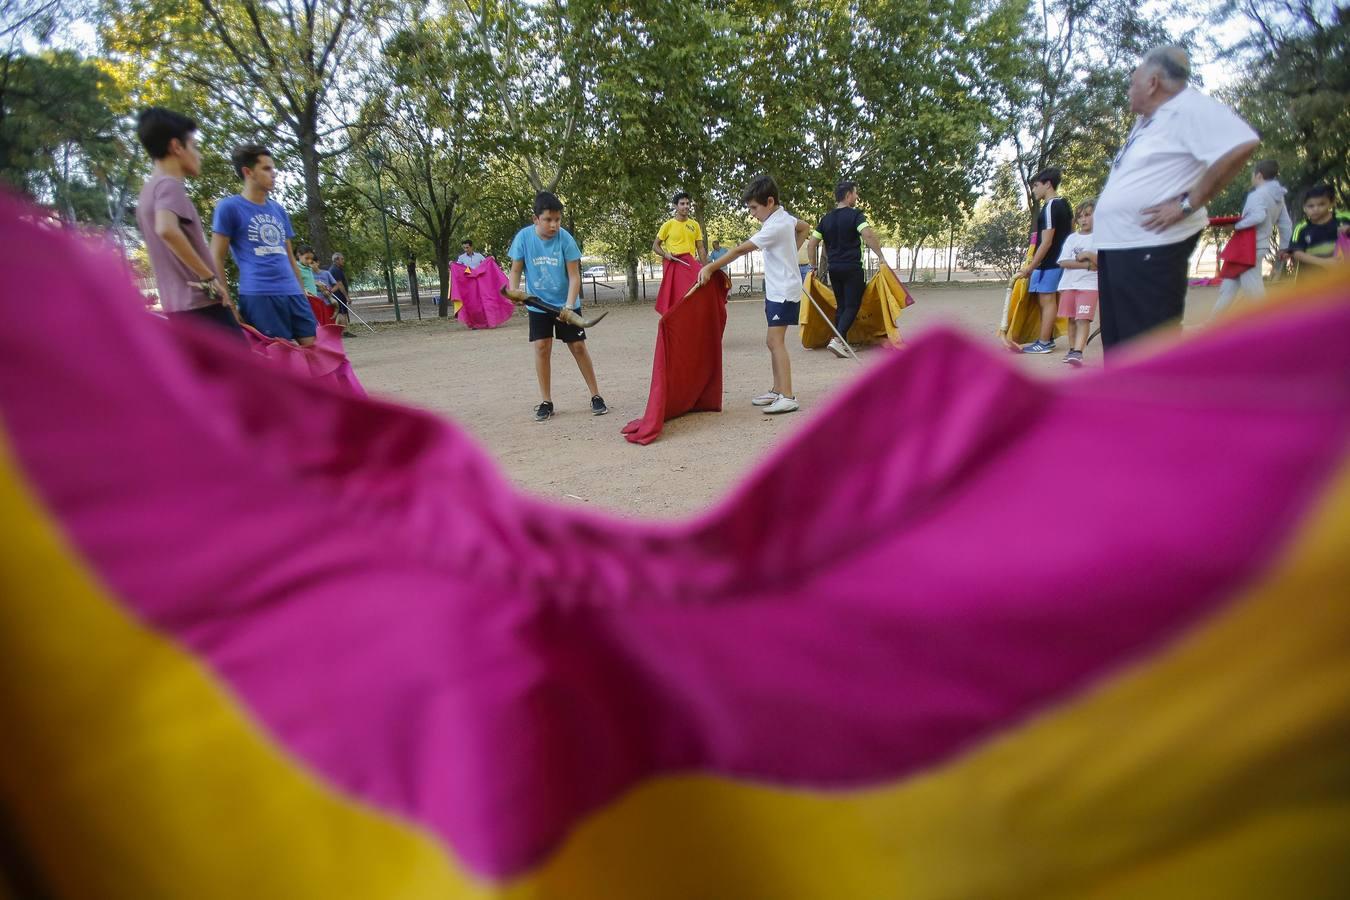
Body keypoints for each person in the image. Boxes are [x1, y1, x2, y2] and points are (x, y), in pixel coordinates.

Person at [1093, 46, 1259, 352]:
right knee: (1119, 348)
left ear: (1153, 82)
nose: (1129, 90)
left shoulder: (1189, 108)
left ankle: (1151, 401)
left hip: (1150, 247)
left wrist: (1187, 204)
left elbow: (1242, 143)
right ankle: (1122, 402)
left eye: (1132, 82)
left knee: (1145, 350)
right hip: (1121, 246)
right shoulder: (1151, 120)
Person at [697, 174, 811, 415]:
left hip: (784, 292)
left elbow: (740, 250)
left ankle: (788, 395)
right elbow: (804, 227)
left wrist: (709, 267)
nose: (752, 213)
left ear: (770, 202)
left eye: (754, 208)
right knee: (772, 342)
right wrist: (791, 251)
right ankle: (777, 389)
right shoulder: (783, 219)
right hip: (777, 290)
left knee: (774, 341)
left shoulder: (777, 225)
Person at [133, 107, 240, 336]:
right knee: (243, 370)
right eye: (194, 146)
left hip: (177, 309)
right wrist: (210, 278)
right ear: (176, 147)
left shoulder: (146, 193)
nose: (198, 154)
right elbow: (166, 229)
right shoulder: (169, 185)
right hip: (202, 304)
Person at [508, 191, 608, 422]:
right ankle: (546, 402)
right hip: (537, 303)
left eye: (557, 219)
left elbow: (574, 277)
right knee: (542, 347)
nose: (554, 225)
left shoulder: (566, 239)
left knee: (578, 347)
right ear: (536, 219)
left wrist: (569, 306)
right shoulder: (523, 238)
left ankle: (596, 396)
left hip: (566, 303)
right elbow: (515, 271)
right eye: (548, 220)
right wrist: (513, 291)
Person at [210, 144, 316, 345]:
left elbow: (290, 258)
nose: (273, 174)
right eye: (266, 169)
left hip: (293, 293)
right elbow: (216, 256)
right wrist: (228, 303)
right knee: (278, 362)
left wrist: (302, 293)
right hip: (260, 295)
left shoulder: (278, 209)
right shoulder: (229, 207)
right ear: (248, 172)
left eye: (273, 169)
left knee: (316, 355)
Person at [805, 180, 894, 358]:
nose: (857, 196)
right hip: (852, 267)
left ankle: (842, 343)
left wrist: (813, 265)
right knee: (852, 305)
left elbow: (812, 244)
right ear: (847, 195)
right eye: (855, 193)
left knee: (842, 306)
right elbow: (867, 233)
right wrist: (881, 256)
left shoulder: (826, 219)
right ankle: (838, 340)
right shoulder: (856, 216)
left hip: (834, 269)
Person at [1212, 160, 1294, 316]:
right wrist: (1284, 246)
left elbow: (1258, 216)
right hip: (1255, 246)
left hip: (1250, 247)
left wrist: (1235, 226)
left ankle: (1267, 327)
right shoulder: (1278, 197)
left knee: (1253, 290)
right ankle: (1211, 324)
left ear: (1259, 175)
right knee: (1229, 284)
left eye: (1252, 175)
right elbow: (1285, 224)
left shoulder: (1258, 195)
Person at [1015, 168, 1073, 354]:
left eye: (1036, 185)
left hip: (1049, 263)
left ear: (1048, 184)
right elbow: (1071, 232)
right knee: (1046, 301)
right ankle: (1046, 338)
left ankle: (1045, 342)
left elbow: (1046, 242)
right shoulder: (1065, 203)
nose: (1034, 190)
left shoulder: (1050, 207)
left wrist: (1031, 267)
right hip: (1057, 261)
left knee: (1047, 301)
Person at [1053, 201, 1099, 366]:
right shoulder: (1072, 239)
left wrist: (1088, 253)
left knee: (1083, 319)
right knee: (1071, 319)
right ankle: (1072, 350)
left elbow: (1101, 262)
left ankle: (1078, 352)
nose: (1083, 219)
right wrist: (1087, 264)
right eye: (1080, 216)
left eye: (1088, 215)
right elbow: (1063, 262)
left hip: (1089, 286)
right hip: (1069, 285)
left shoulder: (1101, 237)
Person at [1287, 184, 1350, 276]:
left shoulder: (1344, 218)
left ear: (1331, 203)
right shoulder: (1301, 228)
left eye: (1321, 204)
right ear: (1304, 207)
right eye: (1311, 206)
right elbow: (1296, 253)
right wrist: (1325, 262)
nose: (1316, 209)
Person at [653, 192, 708, 265]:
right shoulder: (667, 225)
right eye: (682, 204)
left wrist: (706, 268)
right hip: (674, 265)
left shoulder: (695, 225)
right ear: (675, 206)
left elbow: (700, 248)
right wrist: (665, 254)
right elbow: (655, 246)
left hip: (691, 264)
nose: (686, 206)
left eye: (687, 203)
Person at [327, 252, 350, 327]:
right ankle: (343, 331)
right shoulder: (335, 270)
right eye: (342, 259)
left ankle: (340, 330)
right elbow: (340, 284)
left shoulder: (337, 269)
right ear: (336, 260)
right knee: (341, 313)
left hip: (338, 295)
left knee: (341, 312)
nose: (343, 260)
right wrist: (346, 296)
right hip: (338, 295)